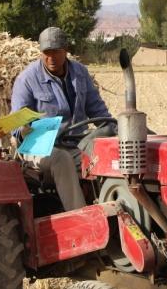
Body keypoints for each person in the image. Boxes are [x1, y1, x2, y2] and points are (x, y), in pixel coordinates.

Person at [11, 26, 112, 210]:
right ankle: (81, 220)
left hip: (76, 141)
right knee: (61, 159)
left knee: (110, 153)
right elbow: (16, 124)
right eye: (46, 53)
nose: (50, 58)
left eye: (55, 52)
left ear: (66, 50)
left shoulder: (80, 73)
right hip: (39, 147)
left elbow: (98, 111)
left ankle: (113, 211)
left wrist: (112, 131)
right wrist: (24, 128)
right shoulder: (27, 79)